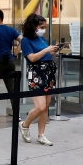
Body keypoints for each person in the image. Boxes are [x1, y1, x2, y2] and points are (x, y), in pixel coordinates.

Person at [19, 14, 59, 145]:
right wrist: (47, 49)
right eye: (41, 27)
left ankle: (41, 134)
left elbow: (46, 55)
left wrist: (54, 50)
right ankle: (25, 124)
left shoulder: (42, 39)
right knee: (40, 106)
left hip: (48, 72)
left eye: (45, 27)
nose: (43, 29)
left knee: (46, 106)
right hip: (36, 72)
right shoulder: (25, 40)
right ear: (34, 27)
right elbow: (32, 58)